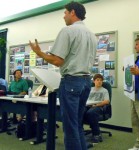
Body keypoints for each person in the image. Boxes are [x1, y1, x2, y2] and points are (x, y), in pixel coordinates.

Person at [29, 2, 97, 150]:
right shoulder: (92, 35)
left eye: (65, 12)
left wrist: (39, 53)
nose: (63, 16)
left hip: (72, 81)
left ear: (72, 12)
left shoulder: (68, 31)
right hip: (86, 81)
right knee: (77, 124)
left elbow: (57, 60)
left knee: (70, 127)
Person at [84, 74, 110, 143]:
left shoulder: (104, 90)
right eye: (97, 80)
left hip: (99, 107)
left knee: (91, 113)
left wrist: (96, 105)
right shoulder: (90, 89)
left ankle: (97, 134)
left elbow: (107, 101)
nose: (99, 82)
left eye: (101, 80)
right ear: (94, 81)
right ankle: (79, 133)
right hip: (88, 106)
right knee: (81, 111)